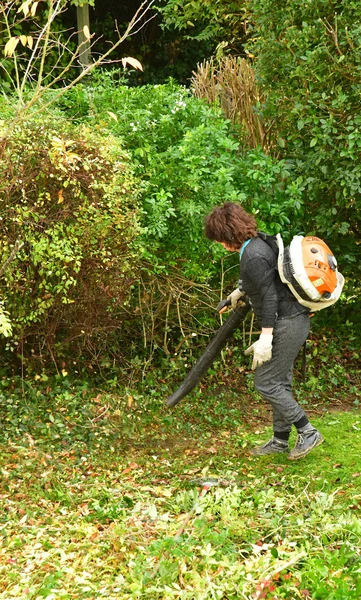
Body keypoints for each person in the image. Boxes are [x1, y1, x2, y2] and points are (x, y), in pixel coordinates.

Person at [204, 201, 323, 460]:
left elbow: (269, 298)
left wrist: (265, 338)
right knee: (280, 382)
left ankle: (308, 431)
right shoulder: (257, 242)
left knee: (266, 383)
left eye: (218, 239)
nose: (218, 244)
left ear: (226, 235)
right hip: (294, 320)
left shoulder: (252, 254)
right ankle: (280, 441)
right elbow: (264, 281)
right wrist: (236, 294)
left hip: (287, 324)